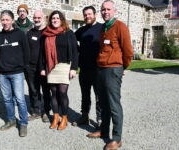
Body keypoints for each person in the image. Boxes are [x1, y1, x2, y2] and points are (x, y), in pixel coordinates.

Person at [88, 1, 133, 149]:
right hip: (100, 69)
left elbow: (128, 52)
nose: (105, 11)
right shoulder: (103, 28)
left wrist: (121, 68)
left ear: (114, 11)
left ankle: (117, 138)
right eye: (103, 9)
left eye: (108, 9)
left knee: (114, 105)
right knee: (103, 103)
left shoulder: (120, 26)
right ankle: (103, 131)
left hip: (113, 69)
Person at [39, 10, 78, 130]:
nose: (55, 20)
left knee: (62, 92)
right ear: (50, 20)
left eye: (57, 18)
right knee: (54, 93)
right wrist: (42, 68)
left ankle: (64, 117)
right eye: (53, 18)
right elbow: (41, 53)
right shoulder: (45, 34)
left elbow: (75, 52)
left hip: (64, 66)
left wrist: (74, 68)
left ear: (61, 20)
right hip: (51, 67)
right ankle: (56, 117)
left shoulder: (68, 33)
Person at [0, 10, 29, 137]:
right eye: (2, 20)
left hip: (17, 73)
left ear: (12, 20)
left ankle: (23, 123)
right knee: (7, 99)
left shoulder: (20, 34)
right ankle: (11, 120)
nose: (5, 22)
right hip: (3, 73)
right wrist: (0, 66)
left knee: (20, 99)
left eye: (7, 20)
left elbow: (26, 52)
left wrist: (24, 67)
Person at [72, 6, 102, 132]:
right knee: (85, 95)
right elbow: (71, 41)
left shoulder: (102, 28)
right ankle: (84, 116)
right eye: (85, 15)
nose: (87, 17)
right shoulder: (81, 31)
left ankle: (100, 120)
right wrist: (79, 52)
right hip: (84, 69)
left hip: (98, 70)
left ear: (95, 14)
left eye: (89, 14)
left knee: (99, 96)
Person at [26, 10, 51, 122]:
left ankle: (45, 112)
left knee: (46, 90)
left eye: (38, 17)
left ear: (44, 18)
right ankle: (36, 111)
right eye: (35, 17)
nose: (36, 19)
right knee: (33, 90)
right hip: (31, 67)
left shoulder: (48, 32)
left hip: (45, 67)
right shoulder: (30, 33)